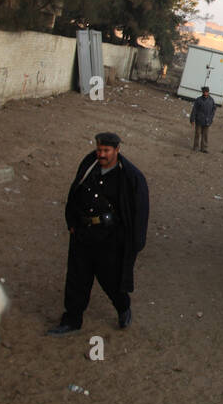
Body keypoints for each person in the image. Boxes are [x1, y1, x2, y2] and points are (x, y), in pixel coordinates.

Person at [47, 132, 149, 335]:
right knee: (77, 278)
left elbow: (140, 212)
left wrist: (133, 243)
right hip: (83, 234)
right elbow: (75, 192)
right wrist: (72, 223)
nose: (101, 154)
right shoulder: (89, 165)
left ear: (117, 150)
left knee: (111, 280)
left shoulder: (130, 177)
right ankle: (72, 320)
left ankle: (123, 307)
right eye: (99, 149)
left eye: (106, 150)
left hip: (110, 239)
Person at [190, 85, 217, 152]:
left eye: (207, 92)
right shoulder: (198, 100)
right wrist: (192, 119)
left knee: (205, 135)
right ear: (202, 92)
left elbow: (213, 110)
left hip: (207, 121)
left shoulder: (211, 100)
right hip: (199, 120)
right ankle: (196, 147)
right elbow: (194, 110)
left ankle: (204, 148)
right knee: (197, 133)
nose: (205, 93)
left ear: (208, 92)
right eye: (204, 92)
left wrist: (211, 118)